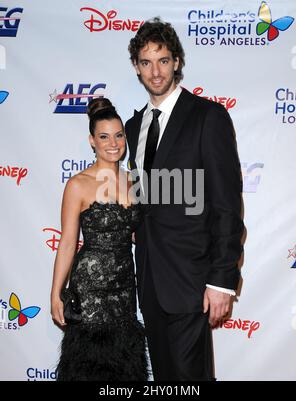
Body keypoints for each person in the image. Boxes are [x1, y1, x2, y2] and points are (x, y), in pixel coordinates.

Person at [125, 18, 244, 381]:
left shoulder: (208, 116)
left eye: (163, 60)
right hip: (148, 279)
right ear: (136, 67)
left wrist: (222, 281)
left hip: (192, 278)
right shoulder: (133, 127)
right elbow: (144, 199)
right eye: (146, 62)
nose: (155, 71)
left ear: (176, 61)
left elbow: (226, 204)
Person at [50, 98, 148, 381]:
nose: (113, 143)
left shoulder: (135, 182)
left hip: (125, 291)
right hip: (89, 290)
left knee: (124, 370)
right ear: (92, 141)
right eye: (104, 137)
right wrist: (56, 292)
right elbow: (68, 242)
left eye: (119, 135)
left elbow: (139, 234)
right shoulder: (78, 184)